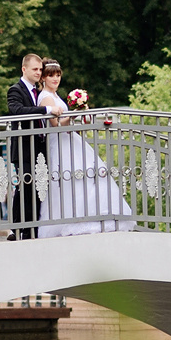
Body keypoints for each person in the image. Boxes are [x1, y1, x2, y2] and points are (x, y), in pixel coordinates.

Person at [34, 59, 135, 237]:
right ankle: (71, 220)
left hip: (68, 139)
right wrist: (74, 113)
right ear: (43, 78)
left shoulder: (56, 96)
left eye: (58, 75)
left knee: (86, 173)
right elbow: (57, 124)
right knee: (70, 178)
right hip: (59, 142)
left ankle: (90, 216)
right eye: (51, 75)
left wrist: (80, 111)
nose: (55, 79)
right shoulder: (46, 97)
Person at [3, 51, 56, 240]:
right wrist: (46, 109)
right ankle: (16, 229)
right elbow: (17, 110)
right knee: (24, 186)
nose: (38, 72)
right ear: (24, 69)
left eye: (40, 69)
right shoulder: (15, 90)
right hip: (24, 147)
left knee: (37, 188)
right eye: (35, 69)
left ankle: (32, 228)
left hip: (40, 147)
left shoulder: (39, 92)